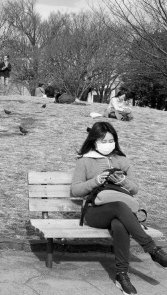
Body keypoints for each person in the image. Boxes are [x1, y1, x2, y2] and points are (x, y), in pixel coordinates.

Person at [71, 122, 167, 295]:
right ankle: (152, 249)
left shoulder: (122, 160)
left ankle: (121, 276)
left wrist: (122, 181)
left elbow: (135, 189)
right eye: (103, 140)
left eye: (111, 140)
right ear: (94, 141)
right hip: (95, 212)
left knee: (120, 224)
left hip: (120, 212)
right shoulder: (85, 160)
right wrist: (97, 180)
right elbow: (75, 190)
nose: (108, 143)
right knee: (120, 207)